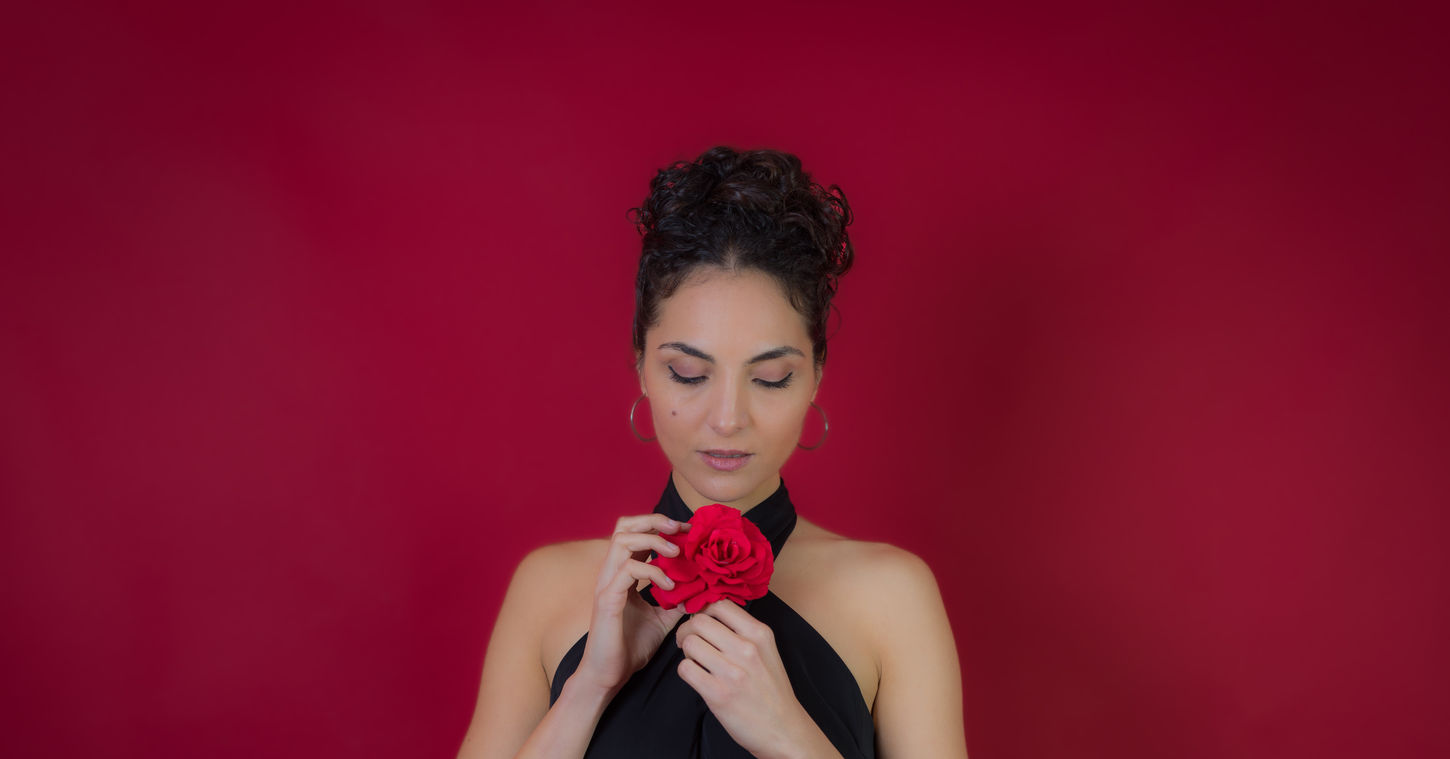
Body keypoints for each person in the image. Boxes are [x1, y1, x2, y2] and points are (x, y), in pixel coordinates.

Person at [457, 146, 967, 758]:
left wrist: (791, 736)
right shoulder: (547, 587)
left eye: (771, 378)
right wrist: (590, 687)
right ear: (642, 367)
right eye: (689, 373)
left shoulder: (892, 596)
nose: (727, 419)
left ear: (815, 377)